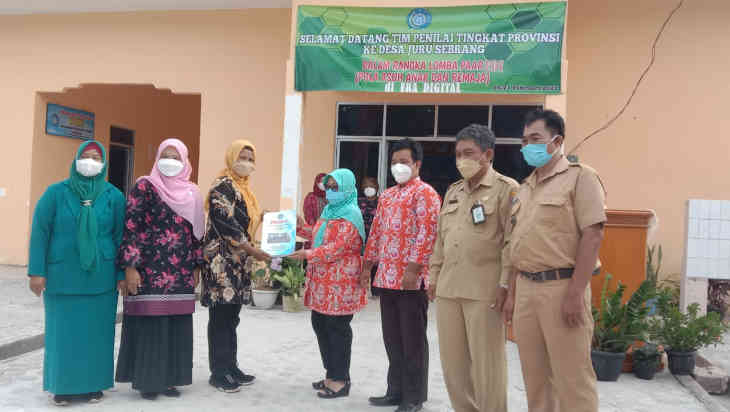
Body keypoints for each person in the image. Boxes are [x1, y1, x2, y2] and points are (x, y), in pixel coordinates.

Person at [503, 109, 606, 412]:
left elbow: (593, 235)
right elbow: (515, 245)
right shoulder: (524, 188)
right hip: (526, 290)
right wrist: (511, 292)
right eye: (524, 140)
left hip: (562, 289)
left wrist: (575, 293)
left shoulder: (581, 178)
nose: (528, 146)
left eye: (535, 138)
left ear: (557, 140)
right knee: (535, 380)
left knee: (572, 379)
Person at [28, 141, 126, 406]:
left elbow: (120, 237)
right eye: (86, 156)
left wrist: (121, 274)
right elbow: (40, 232)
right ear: (76, 159)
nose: (91, 161)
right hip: (62, 276)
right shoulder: (55, 193)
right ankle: (62, 386)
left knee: (98, 335)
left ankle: (94, 385)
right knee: (63, 333)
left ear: (104, 162)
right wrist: (36, 272)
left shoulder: (114, 196)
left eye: (96, 157)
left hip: (101, 277)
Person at [428, 125, 518, 412]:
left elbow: (511, 243)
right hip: (449, 290)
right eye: (458, 154)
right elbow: (441, 240)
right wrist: (433, 276)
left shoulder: (507, 189)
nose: (461, 159)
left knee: (487, 368)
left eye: (469, 153)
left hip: (484, 292)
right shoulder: (453, 191)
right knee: (453, 368)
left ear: (487, 154)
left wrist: (506, 285)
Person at [115, 138, 205, 400]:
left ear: (185, 161)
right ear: (156, 157)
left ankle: (170, 380)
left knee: (175, 325)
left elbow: (196, 234)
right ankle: (148, 382)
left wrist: (198, 265)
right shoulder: (145, 185)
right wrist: (130, 267)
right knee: (152, 325)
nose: (170, 161)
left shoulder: (192, 193)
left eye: (175, 157)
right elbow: (131, 227)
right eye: (165, 155)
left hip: (180, 273)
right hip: (149, 271)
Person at [362, 138, 441, 412]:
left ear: (417, 164)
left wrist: (413, 268)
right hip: (386, 278)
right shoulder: (387, 195)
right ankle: (395, 391)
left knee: (413, 340)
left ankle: (414, 396)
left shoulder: (426, 194)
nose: (399, 167)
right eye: (395, 162)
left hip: (411, 280)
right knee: (392, 339)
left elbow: (427, 233)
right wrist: (367, 265)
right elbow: (376, 232)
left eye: (404, 162)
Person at [289, 168, 368, 400]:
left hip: (340, 284)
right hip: (322, 283)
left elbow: (338, 247)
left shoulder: (351, 214)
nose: (331, 191)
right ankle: (331, 374)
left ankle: (341, 380)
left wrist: (307, 254)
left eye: (335, 187)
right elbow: (316, 234)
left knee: (338, 330)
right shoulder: (329, 211)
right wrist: (295, 226)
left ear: (347, 188)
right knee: (320, 324)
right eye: (328, 187)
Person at [201, 140, 271, 393]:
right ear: (231, 157)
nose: (246, 163)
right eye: (242, 156)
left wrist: (271, 219)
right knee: (221, 317)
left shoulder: (244, 190)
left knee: (232, 317)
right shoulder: (223, 186)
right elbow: (224, 222)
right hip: (221, 263)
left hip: (238, 263)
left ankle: (230, 367)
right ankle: (218, 373)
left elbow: (246, 218)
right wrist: (253, 249)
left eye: (251, 158)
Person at [358, 176, 380, 297]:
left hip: (376, 237)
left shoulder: (381, 201)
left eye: (371, 186)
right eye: (366, 186)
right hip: (362, 236)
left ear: (376, 187)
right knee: (362, 262)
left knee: (375, 263)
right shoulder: (358, 201)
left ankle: (376, 291)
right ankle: (361, 288)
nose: (368, 188)